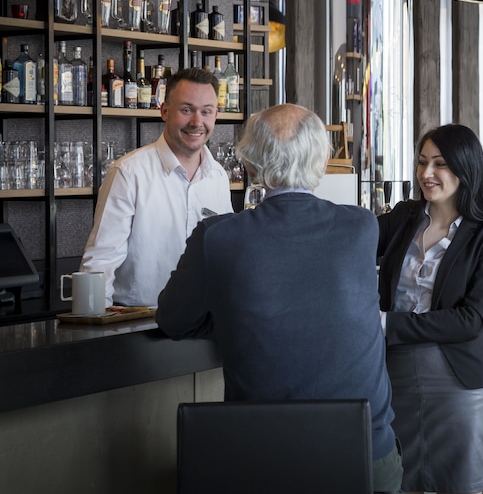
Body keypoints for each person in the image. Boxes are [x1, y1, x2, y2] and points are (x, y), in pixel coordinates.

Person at [156, 103, 403, 493]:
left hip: (263, 454)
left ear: (249, 165)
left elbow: (173, 320)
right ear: (324, 158)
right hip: (366, 452)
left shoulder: (217, 236)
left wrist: (233, 318)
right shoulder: (361, 226)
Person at [377, 123, 483, 494]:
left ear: (465, 168)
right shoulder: (403, 217)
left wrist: (387, 324)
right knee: (396, 485)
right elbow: (349, 241)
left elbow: (472, 320)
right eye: (422, 162)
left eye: (440, 163)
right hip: (394, 382)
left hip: (458, 387)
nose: (426, 173)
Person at [80, 67, 232, 308]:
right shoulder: (128, 173)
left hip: (203, 320)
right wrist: (97, 322)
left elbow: (225, 254)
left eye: (206, 111)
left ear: (216, 115)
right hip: (139, 321)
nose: (197, 122)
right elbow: (100, 262)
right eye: (186, 110)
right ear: (164, 111)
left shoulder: (219, 177)